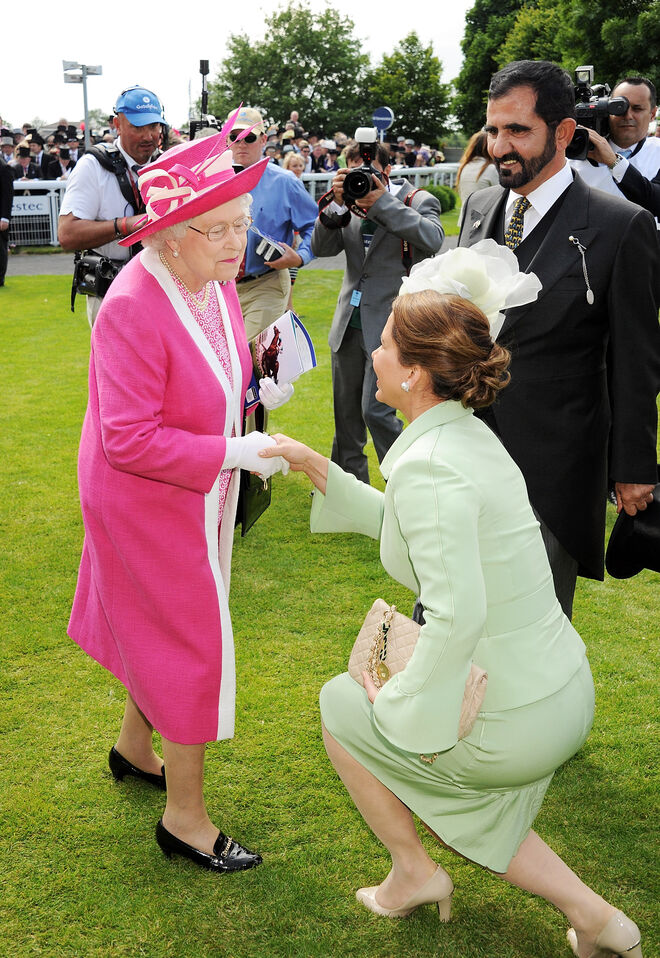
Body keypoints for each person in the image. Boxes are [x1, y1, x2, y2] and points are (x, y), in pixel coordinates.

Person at [259, 244, 644, 958]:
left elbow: (457, 614)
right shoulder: (466, 436)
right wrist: (317, 468)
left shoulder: (430, 465)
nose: (373, 354)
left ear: (412, 373)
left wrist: (404, 712)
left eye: (383, 344)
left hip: (519, 715)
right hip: (559, 689)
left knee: (343, 704)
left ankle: (413, 871)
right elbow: (420, 529)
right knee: (462, 783)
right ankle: (596, 920)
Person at [67, 117, 291, 874]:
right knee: (191, 639)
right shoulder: (133, 304)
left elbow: (212, 370)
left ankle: (136, 747)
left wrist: (257, 380)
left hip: (192, 489)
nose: (236, 242)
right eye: (216, 228)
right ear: (165, 235)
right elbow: (128, 441)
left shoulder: (213, 279)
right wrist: (233, 451)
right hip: (144, 499)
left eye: (241, 223)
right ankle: (185, 819)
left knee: (162, 626)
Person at [458, 59, 660, 618]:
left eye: (518, 130)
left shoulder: (621, 225)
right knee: (448, 618)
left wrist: (634, 467)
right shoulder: (478, 208)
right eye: (493, 130)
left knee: (530, 633)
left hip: (554, 469)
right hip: (461, 457)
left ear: (564, 132)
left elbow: (637, 360)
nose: (500, 147)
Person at [311, 135, 444, 483]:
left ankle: (405, 485)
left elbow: (432, 239)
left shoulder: (417, 200)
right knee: (346, 418)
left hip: (393, 327)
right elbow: (320, 249)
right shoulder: (348, 202)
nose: (361, 179)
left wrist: (381, 203)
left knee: (378, 413)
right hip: (348, 323)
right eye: (352, 172)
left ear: (387, 169)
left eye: (368, 171)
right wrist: (337, 204)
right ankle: (351, 492)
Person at [58, 85, 164, 327]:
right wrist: (126, 225)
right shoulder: (92, 166)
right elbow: (67, 234)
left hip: (162, 289)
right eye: (138, 127)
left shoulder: (166, 163)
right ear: (118, 124)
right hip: (112, 290)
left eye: (154, 126)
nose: (148, 136)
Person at [225, 106, 318, 340]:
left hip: (265, 282)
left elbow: (313, 225)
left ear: (263, 140)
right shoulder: (212, 181)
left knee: (248, 355)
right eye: (234, 137)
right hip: (221, 286)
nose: (241, 144)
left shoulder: (285, 182)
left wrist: (300, 257)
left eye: (249, 137)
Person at [571, 76, 660, 221]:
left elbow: (655, 202)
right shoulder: (575, 152)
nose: (627, 116)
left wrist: (613, 162)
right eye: (619, 107)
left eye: (637, 109)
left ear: (653, 114)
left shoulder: (657, 152)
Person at [455, 130, 499, 227]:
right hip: (484, 223)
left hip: (465, 220)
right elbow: (501, 197)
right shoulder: (491, 169)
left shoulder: (464, 167)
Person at [0, 157, 13, 285]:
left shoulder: (4, 167)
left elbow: (8, 195)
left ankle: (0, 278)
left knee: (0, 248)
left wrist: (5, 217)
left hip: (1, 217)